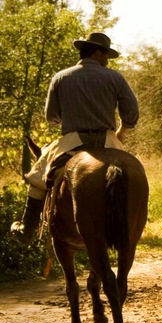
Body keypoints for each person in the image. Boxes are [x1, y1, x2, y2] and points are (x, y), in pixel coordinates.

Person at [11, 32, 139, 244]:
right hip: (108, 140)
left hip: (72, 140)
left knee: (37, 177)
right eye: (106, 55)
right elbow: (131, 113)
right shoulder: (115, 77)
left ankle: (27, 229)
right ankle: (135, 222)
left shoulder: (61, 77)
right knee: (132, 175)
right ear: (98, 53)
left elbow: (52, 118)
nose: (107, 60)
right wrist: (122, 132)